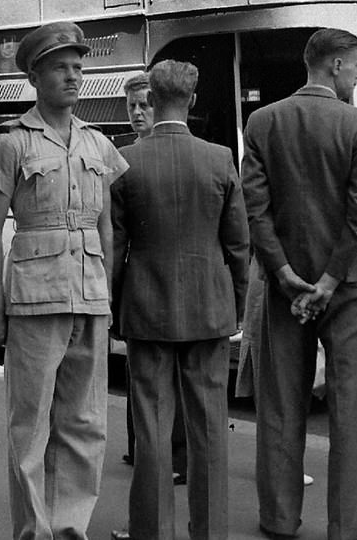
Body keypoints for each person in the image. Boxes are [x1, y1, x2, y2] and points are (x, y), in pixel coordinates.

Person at [0, 21, 127, 540]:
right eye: (61, 67)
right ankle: (34, 533)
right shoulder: (12, 144)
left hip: (89, 297)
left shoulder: (99, 144)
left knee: (85, 424)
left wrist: (109, 295)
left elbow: (107, 226)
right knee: (31, 426)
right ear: (35, 76)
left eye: (78, 67)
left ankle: (70, 530)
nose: (73, 75)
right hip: (35, 298)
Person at [241, 28, 357, 540]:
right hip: (348, 287)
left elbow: (254, 210)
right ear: (337, 66)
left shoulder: (262, 122)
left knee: (280, 403)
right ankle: (350, 524)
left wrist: (282, 272)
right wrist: (329, 278)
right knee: (348, 407)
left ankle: (279, 517)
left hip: (283, 288)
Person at [111, 61, 250, 540]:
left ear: (151, 100)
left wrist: (114, 306)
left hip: (146, 307)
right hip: (209, 308)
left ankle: (152, 532)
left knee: (150, 426)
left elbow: (115, 246)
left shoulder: (126, 160)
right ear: (191, 101)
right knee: (210, 426)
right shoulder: (219, 158)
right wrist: (235, 301)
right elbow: (238, 245)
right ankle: (209, 532)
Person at [118, 72, 188, 484]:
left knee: (169, 375)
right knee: (139, 373)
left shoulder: (163, 152)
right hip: (138, 281)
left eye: (145, 104)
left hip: (169, 278)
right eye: (132, 106)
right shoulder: (123, 156)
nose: (138, 113)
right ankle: (139, 449)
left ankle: (173, 457)